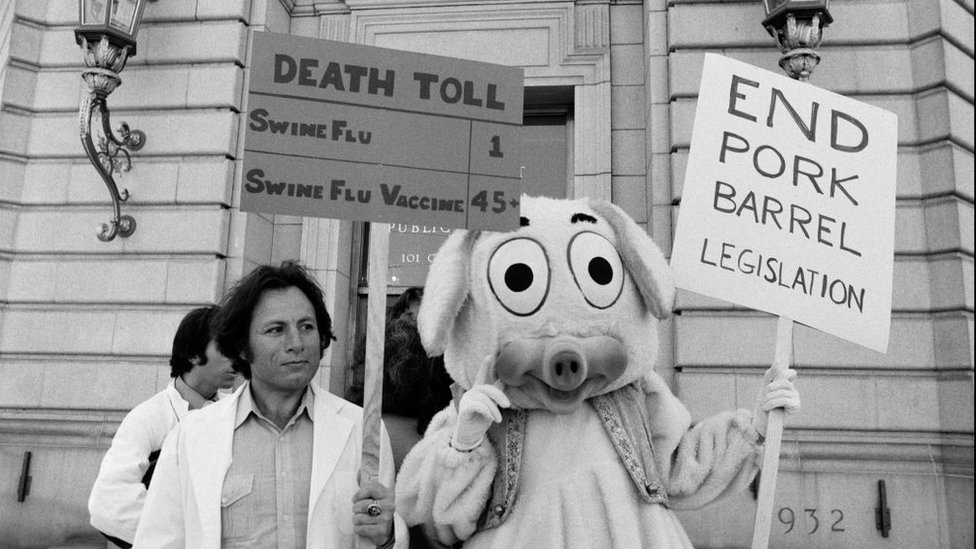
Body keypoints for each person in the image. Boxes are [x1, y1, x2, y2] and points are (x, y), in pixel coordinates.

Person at [133, 261, 406, 548]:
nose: (296, 342)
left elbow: (384, 535)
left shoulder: (365, 432)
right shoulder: (190, 437)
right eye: (276, 329)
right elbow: (157, 541)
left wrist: (387, 537)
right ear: (241, 346)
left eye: (307, 326)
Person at [88, 305, 238, 548]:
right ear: (192, 354)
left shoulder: (235, 416)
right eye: (225, 348)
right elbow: (108, 500)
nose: (237, 358)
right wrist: (187, 533)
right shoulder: (147, 418)